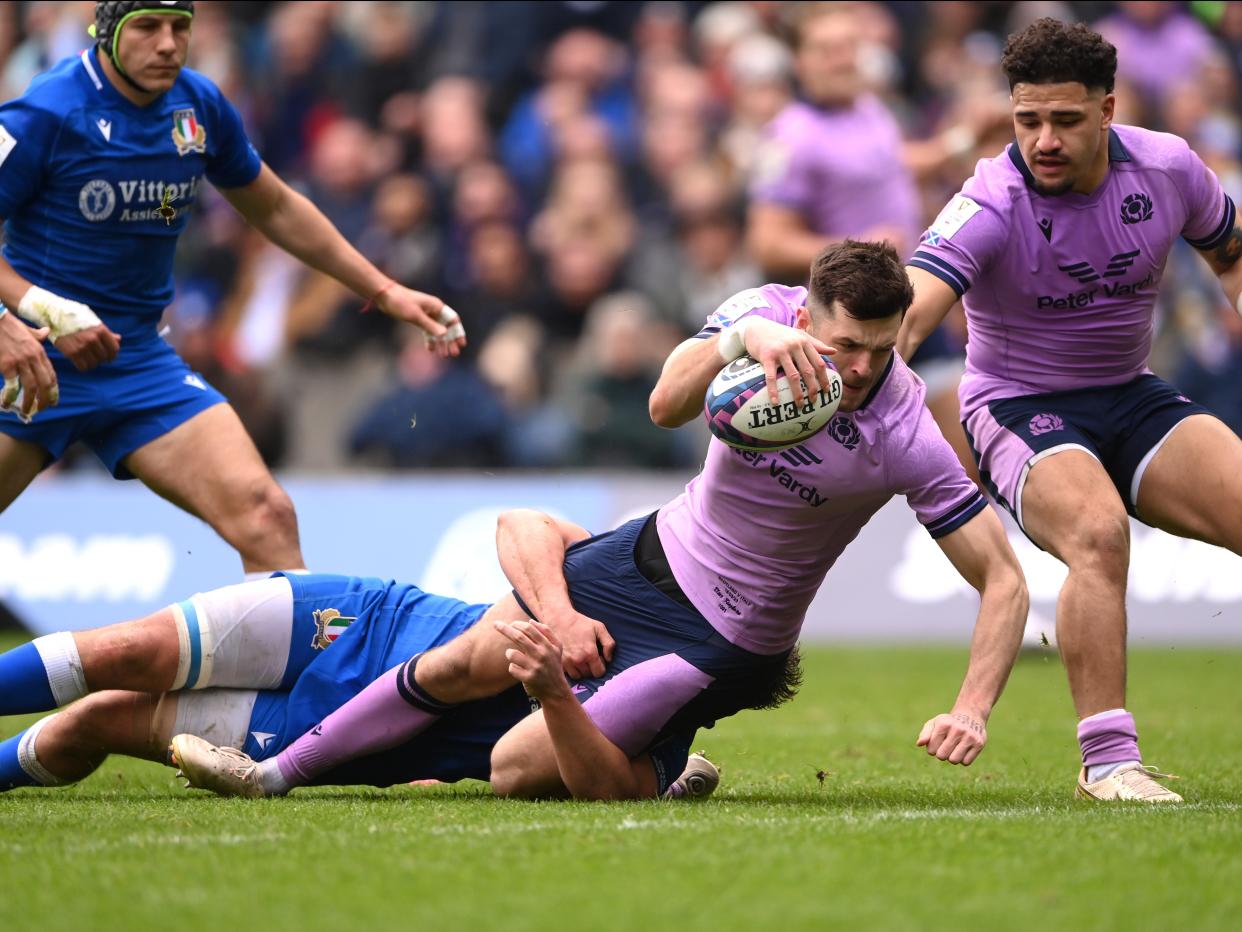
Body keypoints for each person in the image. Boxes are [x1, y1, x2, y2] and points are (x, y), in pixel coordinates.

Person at [173, 240, 1029, 800]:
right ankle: (273, 775)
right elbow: (664, 406)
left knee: (516, 771)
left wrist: (973, 710)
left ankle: (654, 770)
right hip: (651, 551)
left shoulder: (904, 431)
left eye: (883, 351)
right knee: (472, 657)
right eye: (845, 347)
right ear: (806, 316)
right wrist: (746, 344)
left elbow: (1002, 579)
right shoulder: (762, 312)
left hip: (722, 639)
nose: (863, 369)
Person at [897, 19, 1242, 803]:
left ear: (1108, 110)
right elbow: (916, 309)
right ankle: (1109, 763)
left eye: (1065, 120)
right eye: (1027, 121)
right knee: (1096, 530)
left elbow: (1230, 252)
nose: (1043, 140)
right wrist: (865, 367)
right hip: (1018, 408)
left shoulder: (1169, 167)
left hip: (1131, 395)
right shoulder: (990, 197)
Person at [0, 1, 465, 577]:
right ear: (105, 32)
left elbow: (273, 205)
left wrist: (385, 289)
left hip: (138, 358)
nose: (169, 44)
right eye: (147, 27)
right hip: (33, 359)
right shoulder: (46, 109)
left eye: (180, 28)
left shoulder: (198, 106)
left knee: (266, 514)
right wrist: (14, 323)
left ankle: (291, 669)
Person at [0, 511, 726, 801]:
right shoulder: (645, 573)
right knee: (128, 649)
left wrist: (558, 695)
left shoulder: (658, 741)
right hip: (367, 617)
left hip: (338, 736)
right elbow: (525, 524)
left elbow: (524, 774)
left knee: (94, 721)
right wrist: (561, 613)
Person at [746, 1, 990, 484]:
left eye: (848, 46)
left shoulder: (868, 109)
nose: (841, 59)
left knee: (968, 452)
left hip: (900, 305)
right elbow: (767, 243)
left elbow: (889, 166)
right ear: (799, 61)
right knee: (953, 454)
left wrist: (962, 141)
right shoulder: (791, 137)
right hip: (848, 330)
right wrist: (859, 246)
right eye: (825, 49)